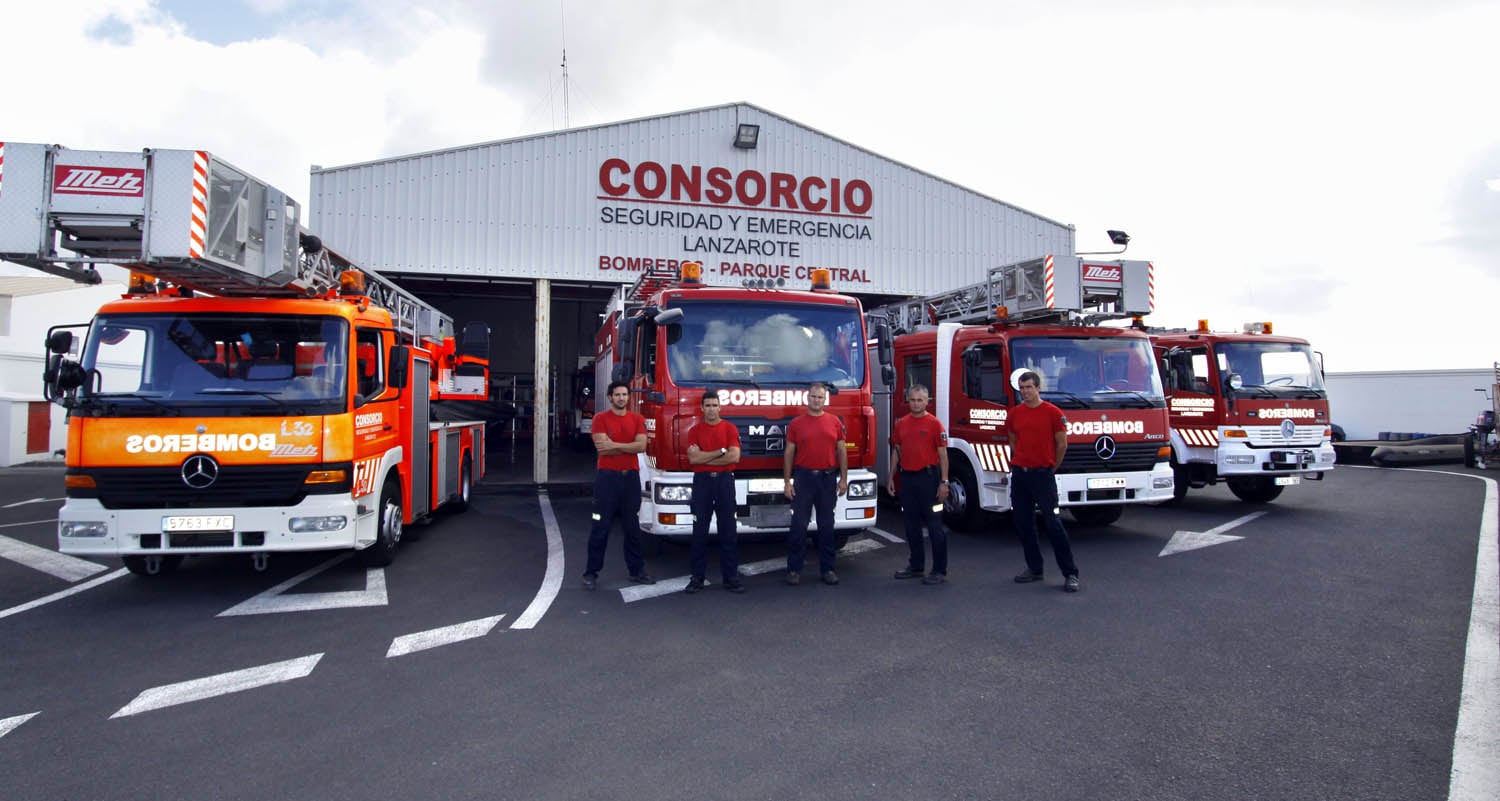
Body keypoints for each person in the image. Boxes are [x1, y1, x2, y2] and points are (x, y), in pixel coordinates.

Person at [1008, 371, 1080, 592]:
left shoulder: (1053, 413)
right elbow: (1013, 441)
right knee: (1024, 524)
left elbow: (1062, 444)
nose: (1025, 392)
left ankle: (1070, 574)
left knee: (1054, 524)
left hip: (1043, 475)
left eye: (1029, 387)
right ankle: (1034, 568)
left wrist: (1049, 467)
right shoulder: (1014, 414)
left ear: (1038, 388)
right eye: (1022, 388)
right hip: (1021, 475)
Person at [582, 381, 656, 590]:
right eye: (617, 395)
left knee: (632, 528)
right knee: (600, 527)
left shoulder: (637, 419)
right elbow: (603, 450)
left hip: (630, 479)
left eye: (624, 394)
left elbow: (641, 446)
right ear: (610, 397)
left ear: (628, 397)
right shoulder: (600, 419)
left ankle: (637, 571)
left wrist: (614, 444)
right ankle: (591, 573)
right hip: (607, 480)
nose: (621, 398)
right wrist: (627, 447)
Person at [783, 382, 847, 586]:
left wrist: (843, 479)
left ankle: (828, 569)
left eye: (820, 397)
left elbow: (842, 450)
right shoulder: (796, 423)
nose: (816, 400)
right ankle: (794, 570)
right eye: (813, 397)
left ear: (825, 399)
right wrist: (787, 481)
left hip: (827, 479)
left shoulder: (835, 422)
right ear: (807, 398)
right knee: (799, 526)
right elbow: (789, 453)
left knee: (827, 526)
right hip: (804, 478)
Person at [886, 383, 950, 584]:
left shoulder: (934, 424)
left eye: (920, 400)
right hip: (908, 480)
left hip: (929, 480)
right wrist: (890, 478)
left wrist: (944, 482)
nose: (915, 404)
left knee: (934, 527)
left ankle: (939, 570)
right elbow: (896, 451)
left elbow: (943, 456)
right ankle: (916, 566)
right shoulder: (901, 424)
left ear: (927, 401)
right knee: (911, 526)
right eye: (912, 400)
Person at [684, 390, 744, 594]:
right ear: (702, 408)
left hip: (725, 483)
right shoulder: (694, 431)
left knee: (728, 530)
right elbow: (694, 459)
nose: (711, 409)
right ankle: (697, 578)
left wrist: (705, 456)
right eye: (707, 405)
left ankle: (731, 578)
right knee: (699, 531)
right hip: (702, 484)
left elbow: (734, 457)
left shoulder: (729, 428)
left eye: (714, 405)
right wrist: (720, 452)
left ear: (720, 407)